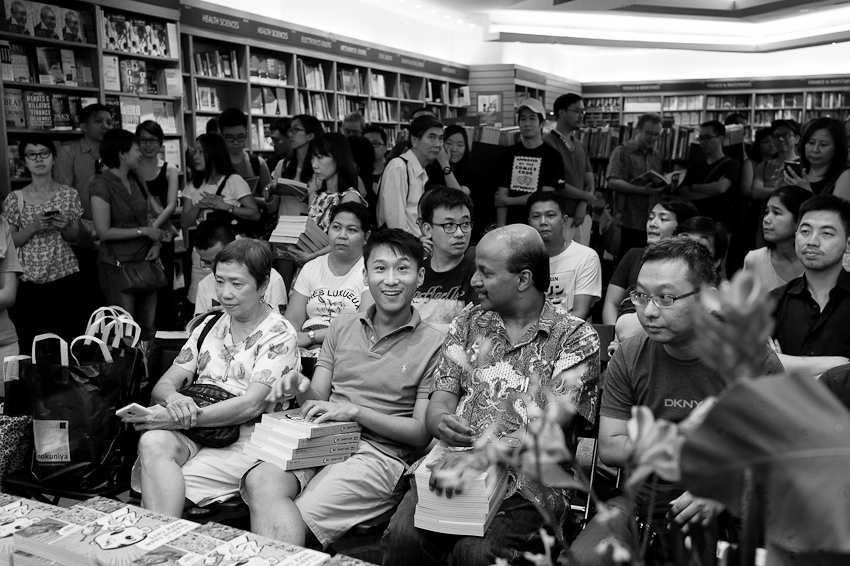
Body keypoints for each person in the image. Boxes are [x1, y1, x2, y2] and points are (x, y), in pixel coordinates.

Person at [381, 224, 600, 566]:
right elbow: (442, 397)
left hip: (531, 481)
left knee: (477, 554)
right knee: (404, 538)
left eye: (485, 272)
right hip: (454, 465)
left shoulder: (574, 337)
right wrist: (441, 422)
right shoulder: (469, 322)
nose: (474, 280)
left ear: (523, 279)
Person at [570, 238, 784, 566]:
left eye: (667, 297)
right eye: (641, 295)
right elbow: (612, 447)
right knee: (583, 559)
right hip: (643, 503)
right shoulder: (630, 354)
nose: (650, 311)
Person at [242, 229, 445, 549]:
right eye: (380, 268)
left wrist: (355, 411)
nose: (391, 279)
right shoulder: (342, 325)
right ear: (365, 275)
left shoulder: (435, 343)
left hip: (379, 455)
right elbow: (318, 398)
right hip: (323, 439)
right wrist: (301, 385)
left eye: (402, 269)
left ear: (419, 276)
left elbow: (421, 433)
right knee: (260, 480)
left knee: (299, 512)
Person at [123, 239, 299, 517]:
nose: (225, 293)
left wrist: (179, 417)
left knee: (167, 486)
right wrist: (175, 400)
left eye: (237, 284)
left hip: (246, 437)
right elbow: (164, 385)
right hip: (199, 428)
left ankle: (158, 544)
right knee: (151, 442)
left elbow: (251, 405)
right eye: (220, 281)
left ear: (263, 285)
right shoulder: (209, 325)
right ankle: (160, 542)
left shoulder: (279, 334)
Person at [3, 139, 82, 349]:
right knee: (30, 342)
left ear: (53, 158)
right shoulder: (15, 198)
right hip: (27, 280)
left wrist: (64, 226)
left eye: (44, 153)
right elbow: (10, 242)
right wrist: (33, 227)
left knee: (67, 340)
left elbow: (75, 236)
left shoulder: (69, 194)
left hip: (63, 274)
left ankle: (69, 380)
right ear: (24, 161)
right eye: (31, 155)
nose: (38, 159)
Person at [90, 129, 163, 342]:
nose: (141, 153)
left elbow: (147, 216)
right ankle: (128, 374)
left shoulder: (136, 176)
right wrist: (143, 232)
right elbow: (103, 231)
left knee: (148, 327)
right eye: (136, 149)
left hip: (146, 260)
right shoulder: (100, 183)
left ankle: (148, 373)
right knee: (125, 330)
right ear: (122, 153)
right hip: (117, 265)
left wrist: (156, 243)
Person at [770, 195, 850, 375]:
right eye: (805, 231)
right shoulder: (773, 301)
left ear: (848, 244)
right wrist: (839, 364)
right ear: (795, 235)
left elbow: (775, 367)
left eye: (826, 233)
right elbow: (760, 363)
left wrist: (787, 365)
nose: (812, 241)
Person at [285, 202, 371, 357]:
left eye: (351, 230)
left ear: (366, 237)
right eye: (336, 227)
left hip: (347, 349)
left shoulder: (371, 270)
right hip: (305, 348)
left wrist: (311, 337)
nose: (342, 235)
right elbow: (292, 320)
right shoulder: (311, 267)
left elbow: (362, 325)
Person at [182, 133, 260, 303]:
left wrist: (226, 206)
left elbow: (254, 213)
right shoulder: (192, 184)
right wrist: (200, 205)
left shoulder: (233, 181)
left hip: (230, 254)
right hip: (200, 255)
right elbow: (184, 223)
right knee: (200, 299)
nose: (195, 157)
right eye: (195, 152)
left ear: (214, 153)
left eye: (201, 152)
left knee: (230, 297)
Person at [602, 196, 698, 325]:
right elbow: (611, 303)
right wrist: (617, 334)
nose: (653, 224)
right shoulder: (634, 255)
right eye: (651, 217)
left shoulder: (688, 265)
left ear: (682, 228)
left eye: (663, 219)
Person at [287, 133, 367, 266]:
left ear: (338, 158)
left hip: (333, 269)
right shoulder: (315, 196)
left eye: (320, 157)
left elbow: (347, 239)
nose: (314, 164)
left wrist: (313, 256)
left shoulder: (349, 197)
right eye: (312, 158)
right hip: (309, 268)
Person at [527, 191, 601, 320]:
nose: (543, 222)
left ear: (564, 221)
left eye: (550, 215)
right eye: (536, 216)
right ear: (529, 222)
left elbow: (580, 314)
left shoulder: (586, 257)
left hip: (570, 335)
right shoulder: (522, 259)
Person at [193, 220, 287, 316]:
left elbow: (279, 325)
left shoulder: (272, 279)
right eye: (207, 262)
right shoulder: (204, 284)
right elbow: (198, 327)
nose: (214, 268)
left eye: (237, 284)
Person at [414, 187, 477, 330]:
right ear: (427, 229)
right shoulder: (412, 272)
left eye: (465, 224)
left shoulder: (478, 276)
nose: (460, 233)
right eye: (449, 225)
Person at [494, 98, 563, 226]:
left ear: (542, 124)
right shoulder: (508, 154)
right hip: (511, 225)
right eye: (523, 119)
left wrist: (509, 201)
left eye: (532, 118)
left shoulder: (553, 156)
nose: (527, 123)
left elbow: (544, 197)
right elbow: (500, 197)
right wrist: (501, 228)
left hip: (539, 226)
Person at [606, 113, 667, 256]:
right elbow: (612, 182)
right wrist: (641, 190)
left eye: (656, 135)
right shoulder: (622, 152)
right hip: (628, 220)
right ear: (638, 130)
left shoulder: (656, 155)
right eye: (649, 133)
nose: (652, 138)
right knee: (627, 263)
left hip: (652, 223)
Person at [137, 121, 179, 323]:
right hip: (138, 234)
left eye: (153, 140)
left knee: (164, 285)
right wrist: (144, 231)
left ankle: (166, 333)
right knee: (141, 286)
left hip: (162, 234)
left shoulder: (170, 169)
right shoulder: (132, 168)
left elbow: (171, 206)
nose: (148, 145)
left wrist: (151, 229)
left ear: (160, 142)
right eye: (143, 140)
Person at [377, 115, 444, 237]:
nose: (438, 144)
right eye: (432, 137)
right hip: (403, 248)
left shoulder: (421, 171)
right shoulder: (398, 167)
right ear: (415, 141)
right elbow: (396, 224)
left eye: (440, 138)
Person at [544, 93, 597, 246]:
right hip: (560, 215)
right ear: (561, 113)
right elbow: (556, 184)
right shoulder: (548, 143)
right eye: (577, 111)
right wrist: (587, 197)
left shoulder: (580, 145)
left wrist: (583, 203)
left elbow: (589, 180)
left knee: (583, 263)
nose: (581, 116)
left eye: (583, 112)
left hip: (582, 216)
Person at [743, 186, 809, 292]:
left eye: (776, 213)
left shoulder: (816, 261)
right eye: (766, 212)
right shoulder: (754, 260)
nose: (766, 219)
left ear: (800, 220)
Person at [679, 120, 742, 230]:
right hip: (697, 221)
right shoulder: (695, 164)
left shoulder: (732, 163)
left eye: (707, 138)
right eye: (701, 138)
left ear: (721, 139)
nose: (703, 142)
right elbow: (684, 192)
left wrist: (695, 187)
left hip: (721, 223)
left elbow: (721, 188)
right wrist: (713, 190)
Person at [218, 108, 272, 231]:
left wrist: (247, 199)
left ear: (246, 134)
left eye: (240, 137)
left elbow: (269, 202)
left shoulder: (257, 163)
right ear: (221, 135)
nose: (236, 142)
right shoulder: (214, 165)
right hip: (221, 227)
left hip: (250, 227)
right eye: (230, 137)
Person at [749, 120, 799, 248]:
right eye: (777, 136)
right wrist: (784, 189)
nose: (781, 139)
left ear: (796, 138)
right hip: (765, 217)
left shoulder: (803, 165)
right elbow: (756, 192)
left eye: (786, 135)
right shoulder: (764, 166)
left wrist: (769, 190)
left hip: (794, 219)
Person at [784, 117, 850, 200]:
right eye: (811, 143)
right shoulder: (798, 170)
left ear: (837, 148)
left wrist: (807, 193)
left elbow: (835, 212)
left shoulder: (845, 176)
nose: (815, 150)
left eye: (823, 144)